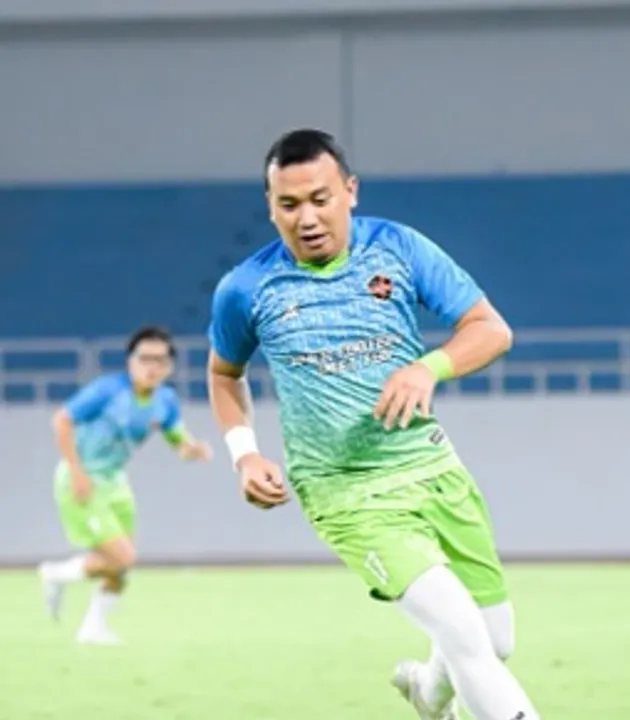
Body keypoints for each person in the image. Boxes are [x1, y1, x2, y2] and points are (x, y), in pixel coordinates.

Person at [206, 128, 541, 720]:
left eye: (320, 199)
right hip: (345, 491)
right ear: (270, 207)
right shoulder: (245, 289)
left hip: (431, 466)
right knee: (463, 634)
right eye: (289, 204)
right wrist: (244, 454)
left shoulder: (398, 248)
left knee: (495, 640)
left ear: (350, 192)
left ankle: (427, 692)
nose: (307, 218)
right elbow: (223, 374)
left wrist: (427, 368)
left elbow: (491, 329)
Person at [38, 325, 212, 645]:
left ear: (169, 366)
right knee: (124, 557)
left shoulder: (165, 401)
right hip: (83, 478)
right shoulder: (107, 390)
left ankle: (93, 628)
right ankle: (55, 574)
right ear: (130, 362)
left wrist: (193, 449)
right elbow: (61, 420)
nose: (151, 367)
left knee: (121, 567)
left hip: (115, 483)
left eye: (160, 360)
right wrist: (76, 471)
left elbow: (177, 439)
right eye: (144, 358)